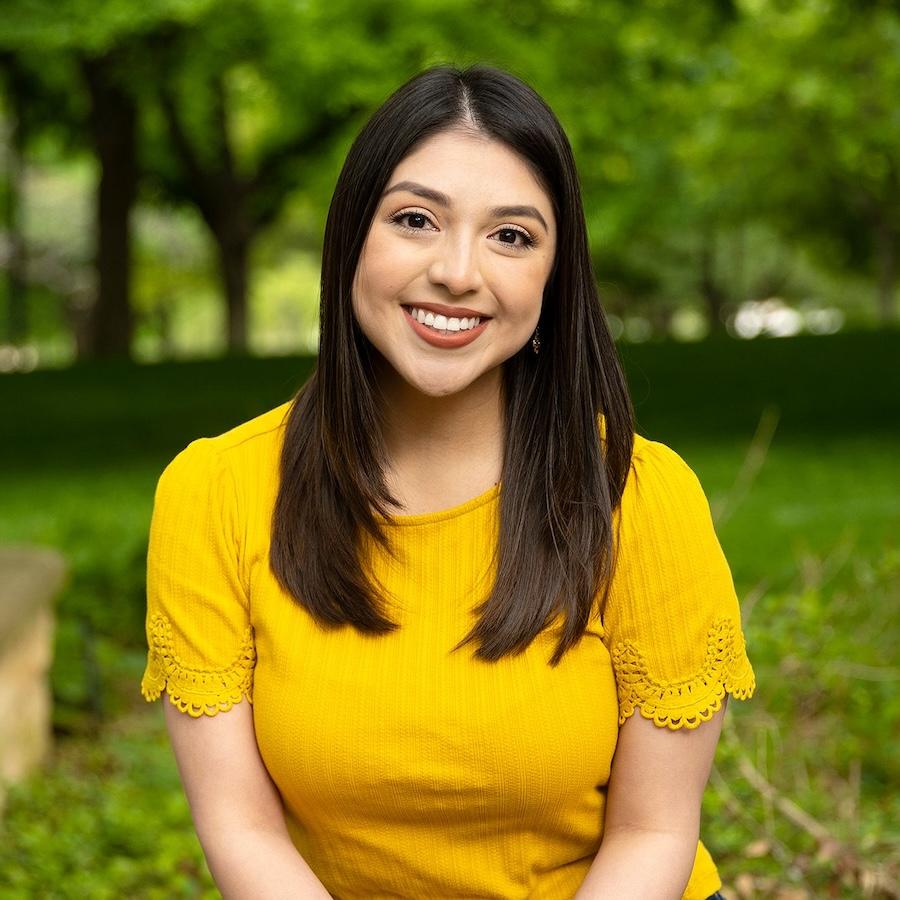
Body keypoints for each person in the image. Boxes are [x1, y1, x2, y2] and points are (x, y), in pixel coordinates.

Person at [141, 63, 755, 900]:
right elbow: (240, 828)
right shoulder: (214, 491)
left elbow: (654, 832)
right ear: (352, 235)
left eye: (512, 235)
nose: (458, 272)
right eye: (416, 220)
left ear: (553, 274)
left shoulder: (639, 497)